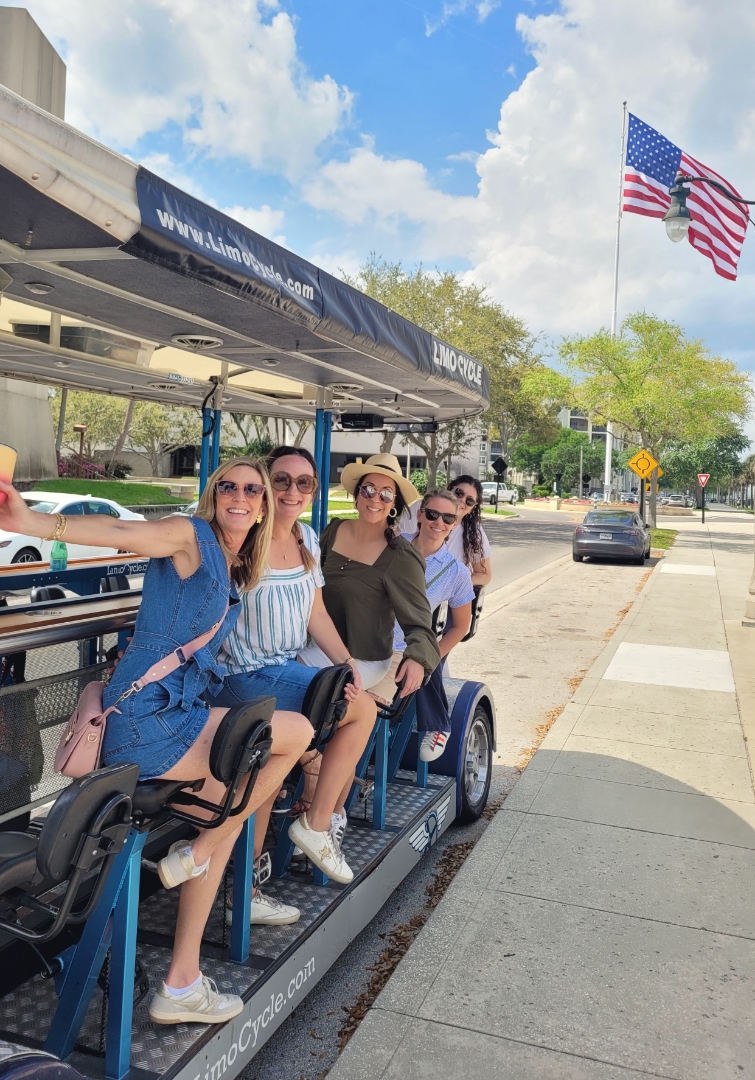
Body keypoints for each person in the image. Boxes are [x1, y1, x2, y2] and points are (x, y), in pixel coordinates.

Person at [0, 460, 313, 1028]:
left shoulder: (235, 563)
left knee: (228, 812)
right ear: (212, 495)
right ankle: (196, 860)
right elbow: (121, 530)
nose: (240, 496)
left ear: (263, 506)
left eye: (252, 490)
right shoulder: (191, 536)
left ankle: (182, 981)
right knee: (296, 734)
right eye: (228, 486)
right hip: (147, 721)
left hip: (174, 713)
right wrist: (31, 522)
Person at [211, 445, 377, 895]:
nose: (292, 490)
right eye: (281, 480)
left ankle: (245, 894)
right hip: (241, 676)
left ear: (314, 491)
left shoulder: (305, 537)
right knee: (362, 710)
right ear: (265, 485)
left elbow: (315, 613)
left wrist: (347, 664)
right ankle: (317, 825)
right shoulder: (243, 539)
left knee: (268, 778)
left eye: (304, 483)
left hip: (284, 670)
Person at [296, 454, 440, 846]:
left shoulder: (400, 556)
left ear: (395, 504)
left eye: (385, 494)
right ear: (357, 494)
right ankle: (304, 781)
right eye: (369, 489)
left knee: (300, 689)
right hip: (315, 644)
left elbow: (420, 623)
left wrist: (418, 658)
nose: (375, 498)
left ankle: (326, 809)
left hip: (362, 657)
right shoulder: (333, 531)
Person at [394, 489, 474, 761]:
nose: (439, 522)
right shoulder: (393, 544)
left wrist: (431, 657)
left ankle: (438, 725)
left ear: (455, 523)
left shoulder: (456, 572)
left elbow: (460, 626)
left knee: (424, 652)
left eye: (447, 518)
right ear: (420, 515)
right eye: (432, 514)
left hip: (405, 646)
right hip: (370, 635)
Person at [404, 474, 492, 587]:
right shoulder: (421, 508)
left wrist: (450, 585)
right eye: (459, 493)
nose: (462, 500)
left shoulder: (474, 532)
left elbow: (484, 575)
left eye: (469, 501)